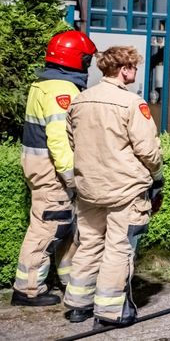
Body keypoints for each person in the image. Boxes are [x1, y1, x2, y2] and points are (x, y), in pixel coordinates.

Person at [62, 46, 162, 327]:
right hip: (124, 190)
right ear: (124, 70)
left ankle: (78, 305)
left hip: (89, 189)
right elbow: (148, 151)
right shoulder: (131, 103)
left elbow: (73, 142)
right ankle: (109, 311)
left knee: (89, 244)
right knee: (118, 248)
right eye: (133, 67)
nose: (135, 71)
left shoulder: (80, 101)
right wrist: (157, 176)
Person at [12, 31, 96, 307]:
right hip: (53, 171)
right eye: (87, 60)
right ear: (78, 60)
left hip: (39, 166)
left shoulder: (43, 85)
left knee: (66, 227)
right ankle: (28, 289)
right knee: (49, 227)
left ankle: (70, 281)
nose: (88, 65)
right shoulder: (63, 90)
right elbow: (60, 140)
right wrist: (73, 178)